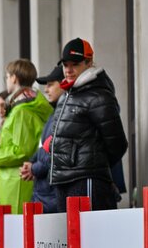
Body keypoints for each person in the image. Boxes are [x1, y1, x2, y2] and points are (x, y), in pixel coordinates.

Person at [49, 38, 129, 211]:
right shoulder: (66, 95)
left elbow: (118, 144)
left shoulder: (99, 96)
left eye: (75, 64)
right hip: (62, 180)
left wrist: (92, 165)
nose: (68, 70)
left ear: (89, 62)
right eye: (65, 64)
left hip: (86, 179)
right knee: (71, 236)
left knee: (88, 236)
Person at [0, 59, 52, 215]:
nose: (7, 81)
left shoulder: (21, 110)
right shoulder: (29, 106)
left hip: (17, 182)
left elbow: (21, 151)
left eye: (7, 77)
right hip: (18, 180)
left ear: (14, 78)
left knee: (16, 233)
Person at [20, 66, 64, 213]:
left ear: (64, 83)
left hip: (51, 195)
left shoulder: (62, 114)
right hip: (46, 193)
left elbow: (51, 154)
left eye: (51, 85)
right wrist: (31, 164)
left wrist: (33, 168)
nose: (46, 90)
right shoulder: (54, 114)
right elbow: (42, 147)